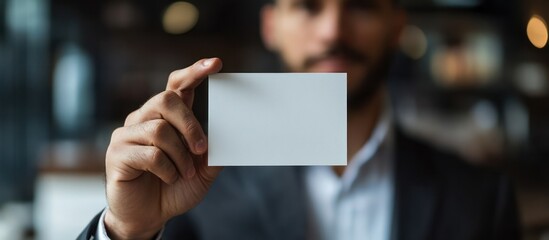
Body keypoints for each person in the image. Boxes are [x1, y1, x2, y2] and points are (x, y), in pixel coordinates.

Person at [79, 0, 520, 239]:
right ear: (271, 25)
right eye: (308, 6)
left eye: (362, 5)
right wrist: (127, 233)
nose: (333, 30)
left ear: (397, 25)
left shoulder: (482, 198)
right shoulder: (191, 191)